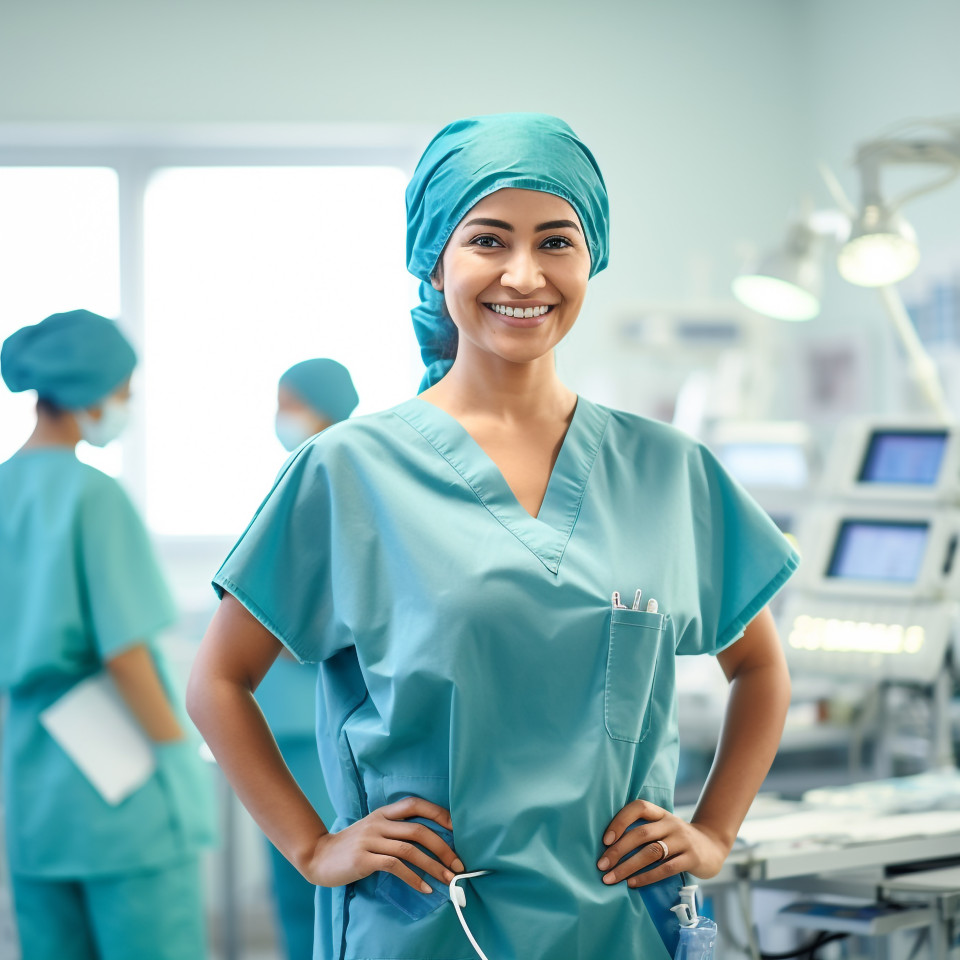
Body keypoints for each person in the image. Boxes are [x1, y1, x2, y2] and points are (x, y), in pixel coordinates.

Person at [187, 114, 798, 960]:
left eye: (557, 241)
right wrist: (312, 846)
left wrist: (715, 832)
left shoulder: (667, 468)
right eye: (488, 240)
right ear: (436, 261)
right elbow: (219, 680)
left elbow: (760, 666)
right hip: (429, 928)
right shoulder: (349, 470)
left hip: (620, 928)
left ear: (592, 260)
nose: (525, 273)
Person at [0, 309, 214, 960]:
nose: (126, 404)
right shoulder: (93, 496)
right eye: (125, 389)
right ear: (92, 391)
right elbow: (127, 655)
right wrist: (179, 758)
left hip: (32, 787)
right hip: (121, 795)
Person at [259, 358, 357, 959]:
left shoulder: (331, 473)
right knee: (309, 878)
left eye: (284, 401)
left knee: (328, 886)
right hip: (295, 721)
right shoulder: (312, 473)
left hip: (321, 723)